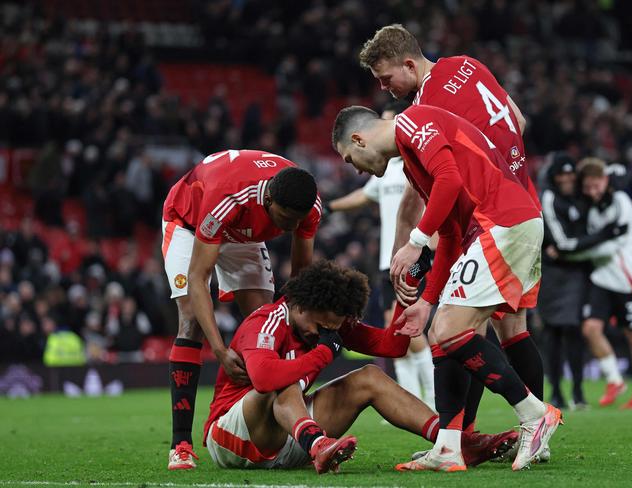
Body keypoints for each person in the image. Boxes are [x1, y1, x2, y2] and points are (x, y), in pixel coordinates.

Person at [331, 104, 562, 472]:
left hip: (502, 222)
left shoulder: (413, 121)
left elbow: (450, 181)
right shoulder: (410, 160)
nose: (355, 169)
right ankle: (449, 447)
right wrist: (426, 299)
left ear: (359, 139)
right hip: (490, 229)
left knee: (451, 330)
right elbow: (451, 232)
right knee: (441, 334)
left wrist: (415, 240)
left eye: (349, 158)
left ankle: (534, 413)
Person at [359, 23, 544, 438]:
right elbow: (518, 117)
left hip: (487, 216)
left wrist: (406, 244)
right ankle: (519, 434)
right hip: (523, 199)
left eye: (387, 78)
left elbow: (425, 183)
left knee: (457, 326)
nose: (387, 89)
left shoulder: (425, 107)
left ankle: (465, 435)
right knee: (512, 328)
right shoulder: (467, 64)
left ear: (409, 63)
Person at [203, 260, 517, 473]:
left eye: (331, 328)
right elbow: (263, 377)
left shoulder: (329, 324)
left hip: (289, 441)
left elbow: (392, 346)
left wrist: (404, 300)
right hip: (232, 440)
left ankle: (453, 442)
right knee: (283, 378)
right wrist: (323, 354)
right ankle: (317, 443)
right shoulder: (266, 322)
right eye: (319, 325)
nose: (321, 333)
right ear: (300, 305)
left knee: (368, 376)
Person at [161, 149, 322, 469]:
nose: (291, 227)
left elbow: (300, 274)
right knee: (191, 319)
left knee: (266, 324)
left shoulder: (308, 205)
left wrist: (295, 325)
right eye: (286, 218)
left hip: (242, 234)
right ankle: (180, 443)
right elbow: (198, 277)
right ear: (269, 202)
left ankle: (263, 423)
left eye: (297, 221)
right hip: (190, 224)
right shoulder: (229, 196)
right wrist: (219, 349)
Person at [325, 100, 435, 409]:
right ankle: (410, 401)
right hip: (391, 261)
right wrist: (331, 206)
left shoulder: (416, 164)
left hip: (415, 255)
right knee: (396, 331)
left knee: (413, 332)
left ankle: (433, 400)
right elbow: (363, 195)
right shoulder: (384, 171)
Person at [538, 153, 625, 409]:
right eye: (561, 174)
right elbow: (561, 242)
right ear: (553, 177)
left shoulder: (581, 196)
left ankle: (577, 392)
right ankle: (556, 393)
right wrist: (602, 236)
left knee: (574, 332)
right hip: (554, 274)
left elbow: (604, 194)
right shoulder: (550, 198)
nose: (566, 178)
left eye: (569, 174)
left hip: (578, 273)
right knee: (552, 333)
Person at [565, 158, 632, 410]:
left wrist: (574, 251)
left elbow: (614, 244)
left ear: (605, 180)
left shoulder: (621, 203)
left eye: (596, 185)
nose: (593, 191)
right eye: (588, 187)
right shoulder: (591, 208)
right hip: (602, 278)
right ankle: (614, 380)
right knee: (590, 328)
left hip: (627, 278)